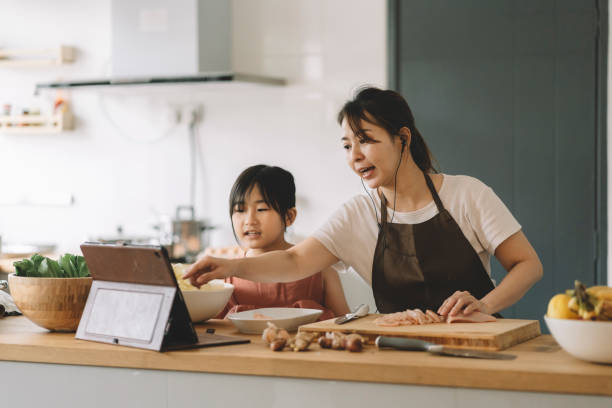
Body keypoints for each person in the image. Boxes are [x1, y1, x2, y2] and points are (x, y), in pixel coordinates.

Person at [185, 87, 543, 318]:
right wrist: (226, 267)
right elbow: (295, 261)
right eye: (346, 146)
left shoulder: (466, 194)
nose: (354, 157)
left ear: (402, 138)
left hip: (478, 347)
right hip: (398, 352)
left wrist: (486, 305)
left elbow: (527, 264)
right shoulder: (359, 213)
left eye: (365, 140)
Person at [212, 164, 350, 320]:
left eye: (262, 209)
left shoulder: (320, 268)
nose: (249, 221)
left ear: (289, 216)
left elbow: (345, 323)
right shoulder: (226, 276)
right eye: (240, 210)